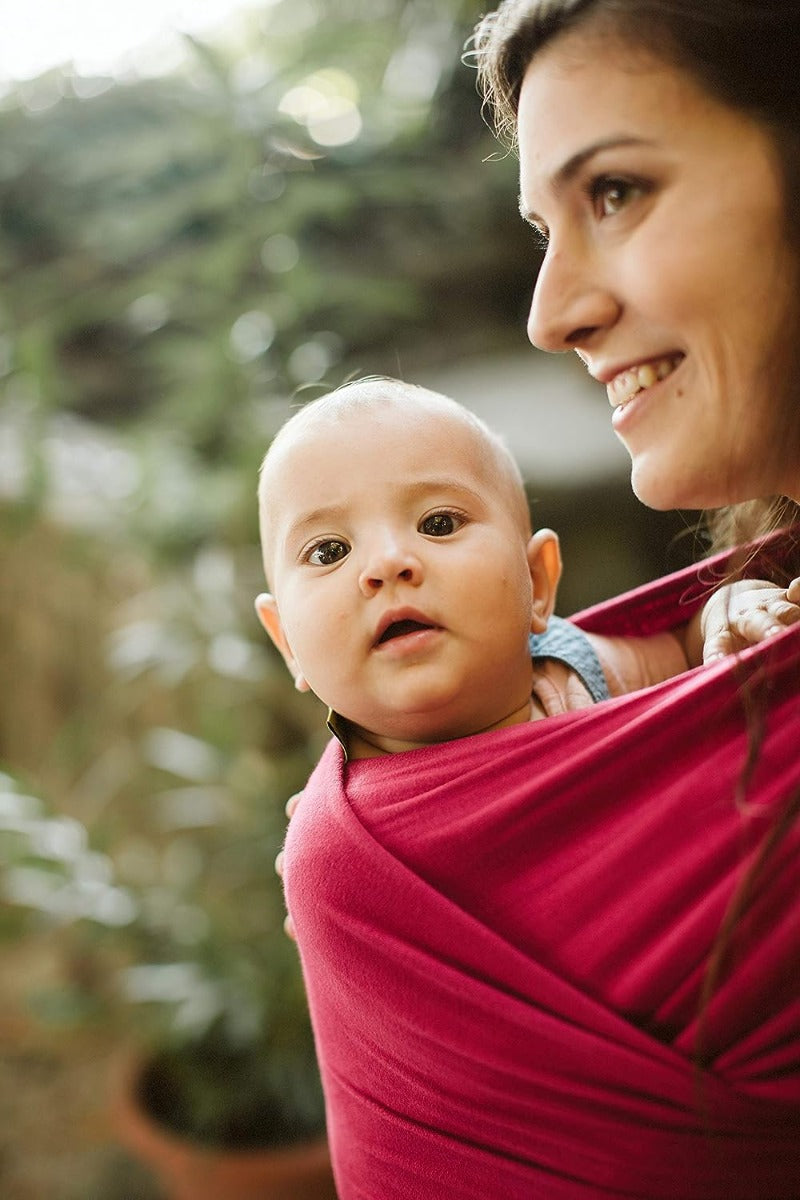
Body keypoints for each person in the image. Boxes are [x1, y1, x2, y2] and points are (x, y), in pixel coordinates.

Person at [256, 377, 800, 1198]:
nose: (387, 565)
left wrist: (732, 604)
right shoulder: (341, 849)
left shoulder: (577, 670)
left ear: (538, 582)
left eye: (438, 524)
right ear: (286, 641)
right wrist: (332, 874)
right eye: (328, 552)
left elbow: (691, 662)